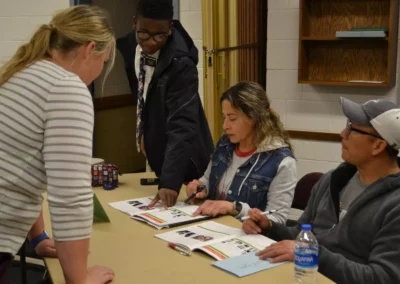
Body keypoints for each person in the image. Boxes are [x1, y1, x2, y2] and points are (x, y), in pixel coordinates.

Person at [0, 5, 116, 284]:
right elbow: (70, 197)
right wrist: (79, 279)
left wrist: (38, 237)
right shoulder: (66, 88)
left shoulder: (24, 71)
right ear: (90, 49)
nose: (100, 72)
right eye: (104, 62)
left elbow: (26, 166)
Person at [243, 97, 400, 283]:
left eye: (353, 129)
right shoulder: (332, 180)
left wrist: (314, 254)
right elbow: (302, 233)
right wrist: (269, 228)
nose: (343, 133)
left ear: (378, 145)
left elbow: (382, 277)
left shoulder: (394, 204)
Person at [116, 0, 214, 208]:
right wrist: (143, 129)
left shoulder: (181, 63)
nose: (151, 42)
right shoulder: (126, 46)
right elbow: (143, 95)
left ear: (170, 27)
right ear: (134, 23)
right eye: (144, 33)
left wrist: (170, 181)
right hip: (159, 152)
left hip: (187, 160)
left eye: (159, 35)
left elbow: (183, 124)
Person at [186, 81, 297, 223]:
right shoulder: (225, 144)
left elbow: (277, 220)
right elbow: (208, 179)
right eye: (224, 117)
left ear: (255, 118)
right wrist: (200, 187)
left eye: (232, 118)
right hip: (213, 227)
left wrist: (235, 208)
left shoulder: (282, 161)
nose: (225, 126)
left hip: (247, 238)